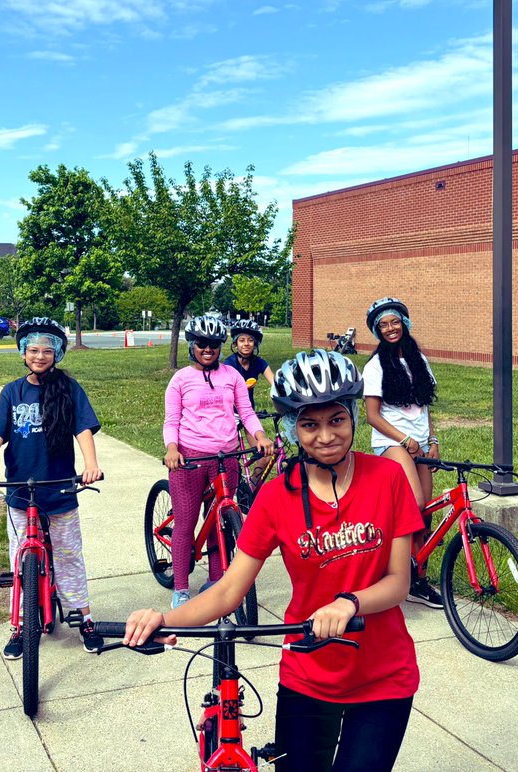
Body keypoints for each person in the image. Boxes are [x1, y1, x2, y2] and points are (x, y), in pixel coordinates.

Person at [126, 348, 422, 772]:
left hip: (384, 676)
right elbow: (229, 590)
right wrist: (162, 620)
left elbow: (399, 582)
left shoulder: (388, 478)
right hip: (308, 675)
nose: (325, 436)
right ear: (291, 428)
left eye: (336, 419)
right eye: (309, 424)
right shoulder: (275, 497)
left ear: (354, 416)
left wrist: (349, 603)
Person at [0, 317, 105, 656]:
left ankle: (84, 618)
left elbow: (83, 429)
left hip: (59, 489)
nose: (40, 356)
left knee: (69, 557)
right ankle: (20, 624)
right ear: (23, 353)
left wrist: (90, 465)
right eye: (33, 350)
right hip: (20, 490)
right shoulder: (12, 391)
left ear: (57, 354)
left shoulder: (69, 389)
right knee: (19, 559)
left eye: (47, 350)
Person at [163, 314, 272, 608]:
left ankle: (217, 580)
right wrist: (172, 448)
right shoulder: (181, 379)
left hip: (226, 457)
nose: (208, 349)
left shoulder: (232, 376)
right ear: (192, 346)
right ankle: (182, 588)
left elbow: (246, 412)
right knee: (186, 522)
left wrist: (259, 436)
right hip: (191, 459)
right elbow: (172, 420)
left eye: (213, 344)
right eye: (201, 344)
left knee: (218, 523)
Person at [362, 297, 444, 609]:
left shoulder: (419, 360)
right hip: (391, 442)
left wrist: (433, 440)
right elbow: (372, 416)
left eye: (394, 322)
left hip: (420, 443)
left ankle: (418, 579)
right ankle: (393, 566)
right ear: (377, 331)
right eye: (383, 325)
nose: (390, 328)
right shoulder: (374, 367)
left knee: (427, 512)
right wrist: (405, 439)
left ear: (404, 323)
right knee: (415, 503)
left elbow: (425, 407)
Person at [223, 319, 275, 406]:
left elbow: (275, 383)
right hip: (231, 412)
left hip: (249, 411)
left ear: (255, 344)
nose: (246, 344)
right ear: (235, 344)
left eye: (250, 340)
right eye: (242, 340)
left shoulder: (259, 363)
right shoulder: (229, 364)